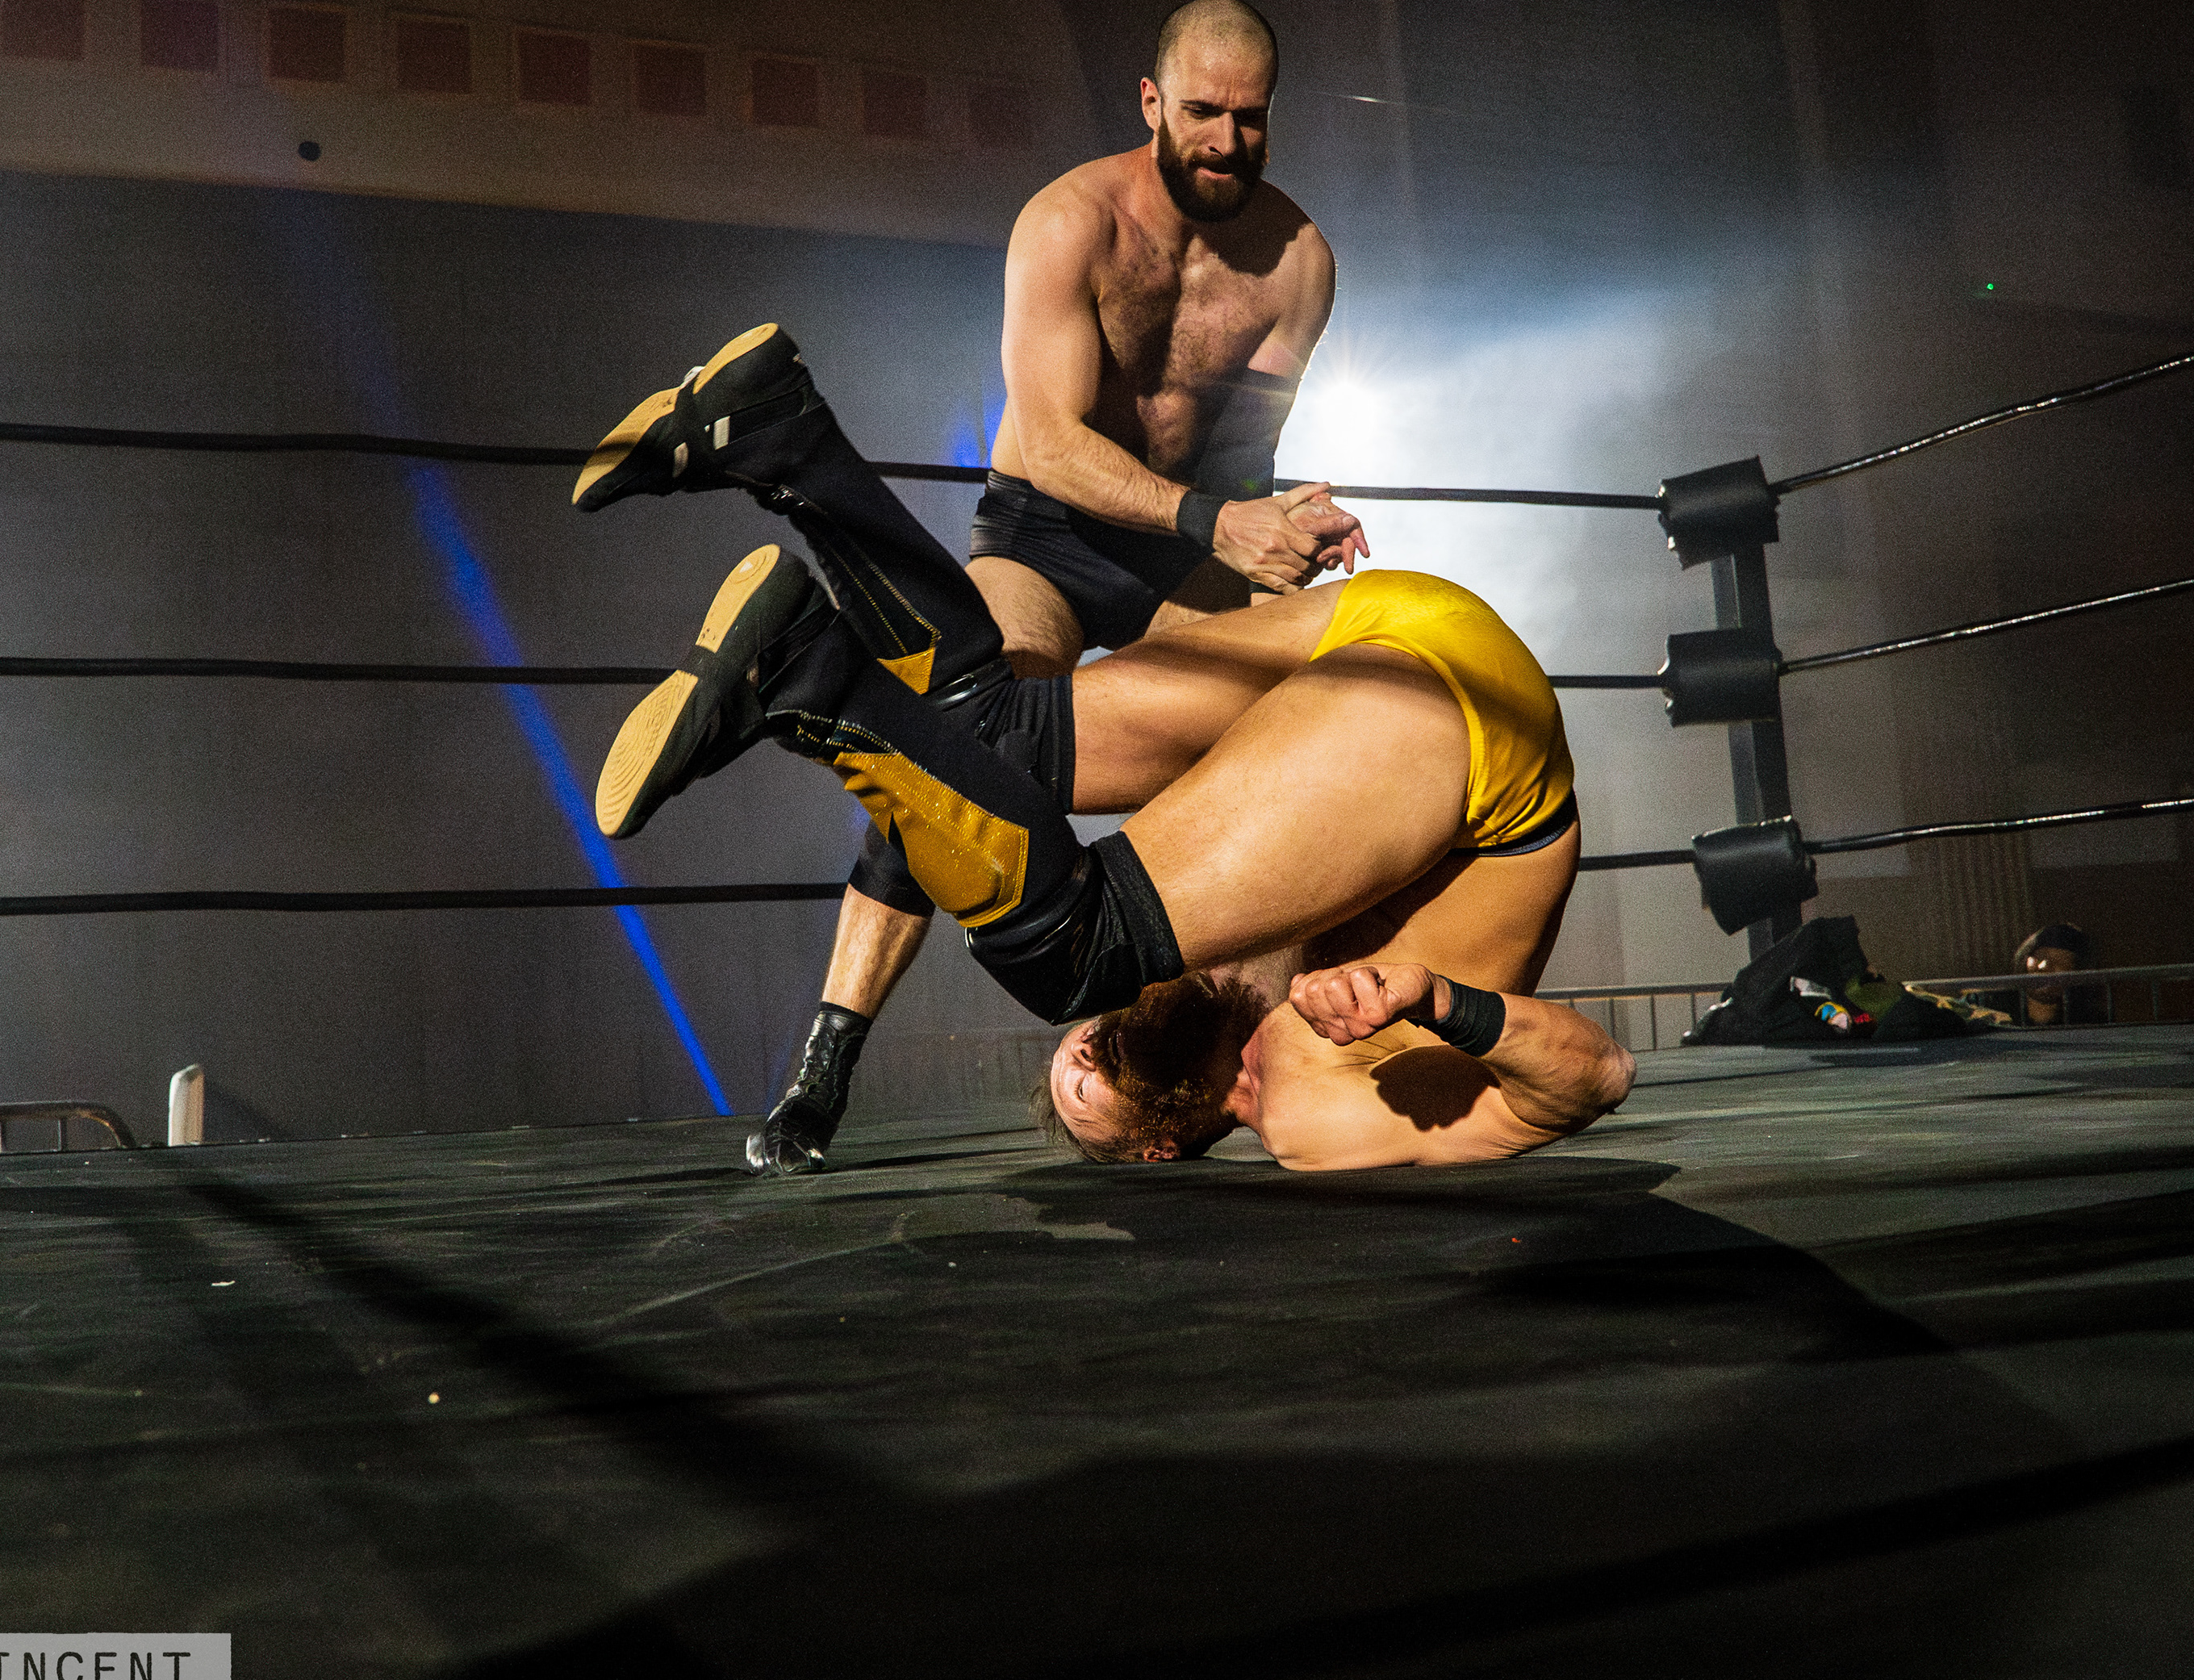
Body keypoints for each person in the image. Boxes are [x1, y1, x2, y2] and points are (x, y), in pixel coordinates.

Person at [576, 0, 1362, 1175]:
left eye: (1249, 119)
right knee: (959, 743)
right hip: (1051, 534)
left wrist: (1280, 520)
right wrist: (1216, 519)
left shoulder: (1298, 263)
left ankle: (1247, 1053)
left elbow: (1241, 455)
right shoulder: (1071, 223)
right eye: (1204, 112)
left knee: (1312, 722)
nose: (1226, 141)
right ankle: (825, 1067)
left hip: (1183, 559)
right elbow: (1047, 443)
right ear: (1151, 103)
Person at [582, 332, 1629, 1169]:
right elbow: (1595, 1078)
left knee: (991, 732)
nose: (1089, 1045)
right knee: (1075, 955)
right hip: (1483, 744)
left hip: (1397, 646)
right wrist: (1443, 1004)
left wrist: (829, 1064)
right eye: (1097, 1075)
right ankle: (812, 674)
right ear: (1161, 1142)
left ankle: (784, 438)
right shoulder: (1319, 1117)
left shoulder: (1256, 1024)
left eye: (1075, 1068)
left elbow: (941, 812)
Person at [2010, 923, 2102, 1027]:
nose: (2043, 966)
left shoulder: (2092, 1022)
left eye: (2059, 962)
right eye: (2038, 957)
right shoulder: (1999, 1010)